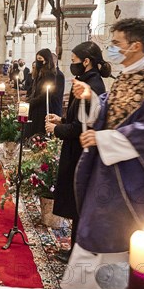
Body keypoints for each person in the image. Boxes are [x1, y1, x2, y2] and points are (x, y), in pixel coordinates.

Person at [62, 18, 144, 289]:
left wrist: (104, 138)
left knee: (132, 241)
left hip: (138, 180)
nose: (111, 49)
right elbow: (110, 112)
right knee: (96, 231)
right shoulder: (125, 75)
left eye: (116, 44)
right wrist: (91, 98)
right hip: (107, 173)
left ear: (135, 45)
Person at [44, 42, 108, 263]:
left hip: (82, 152)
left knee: (80, 204)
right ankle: (73, 251)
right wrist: (61, 119)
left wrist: (57, 129)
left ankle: (77, 254)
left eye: (73, 61)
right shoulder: (86, 82)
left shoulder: (93, 87)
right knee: (76, 203)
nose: (72, 66)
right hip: (76, 150)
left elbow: (84, 127)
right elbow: (77, 119)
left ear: (86, 61)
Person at [25, 49, 57, 138]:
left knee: (39, 134)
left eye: (40, 58)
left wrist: (31, 102)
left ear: (46, 60)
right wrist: (27, 101)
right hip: (34, 108)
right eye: (37, 58)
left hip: (42, 109)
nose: (37, 61)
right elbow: (34, 91)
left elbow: (45, 95)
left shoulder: (50, 74)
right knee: (30, 133)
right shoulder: (38, 73)